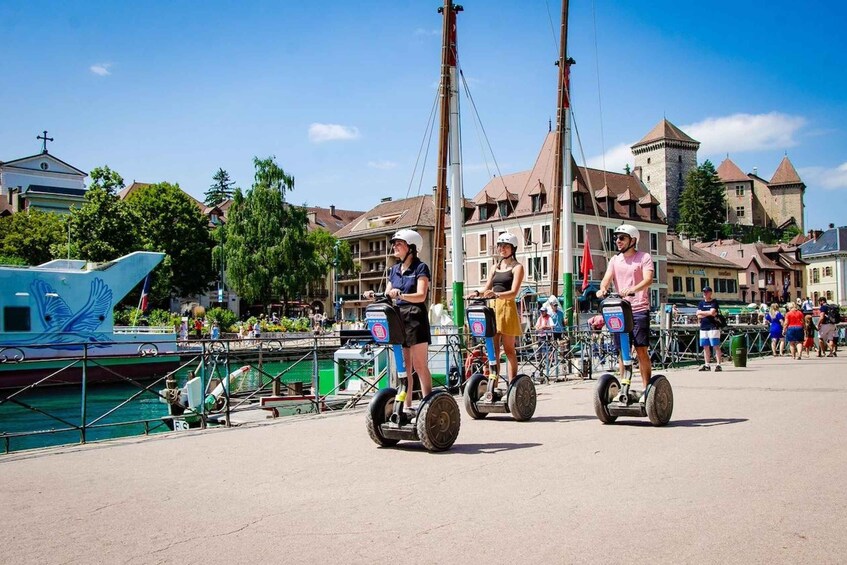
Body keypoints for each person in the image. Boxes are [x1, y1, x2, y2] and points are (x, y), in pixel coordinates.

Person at [365, 229, 432, 414]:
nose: (394, 246)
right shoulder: (393, 270)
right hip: (398, 318)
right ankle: (407, 406)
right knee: (405, 366)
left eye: (399, 243)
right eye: (394, 244)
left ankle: (428, 404)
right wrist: (373, 295)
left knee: (419, 365)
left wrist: (401, 294)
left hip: (415, 317)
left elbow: (421, 296)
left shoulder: (420, 268)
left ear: (411, 247)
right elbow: (388, 293)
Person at [596, 224, 654, 395]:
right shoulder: (615, 260)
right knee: (623, 350)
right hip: (620, 311)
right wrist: (603, 289)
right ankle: (624, 388)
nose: (618, 241)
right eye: (616, 238)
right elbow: (606, 279)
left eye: (622, 238)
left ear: (633, 240)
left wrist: (633, 289)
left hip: (638, 308)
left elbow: (648, 279)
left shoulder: (644, 257)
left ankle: (647, 388)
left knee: (641, 349)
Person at [469, 232, 525, 382]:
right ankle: (493, 383)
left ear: (513, 248)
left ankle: (512, 384)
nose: (502, 249)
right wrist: (475, 293)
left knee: (509, 350)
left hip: (507, 308)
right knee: (493, 351)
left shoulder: (517, 267)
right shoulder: (494, 267)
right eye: (500, 246)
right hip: (493, 309)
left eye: (506, 246)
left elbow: (513, 292)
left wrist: (496, 295)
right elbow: (486, 288)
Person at [696, 286, 723, 371]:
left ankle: (718, 364)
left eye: (706, 292)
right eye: (704, 292)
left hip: (713, 326)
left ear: (710, 293)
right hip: (703, 326)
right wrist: (708, 313)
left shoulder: (714, 302)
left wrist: (703, 312)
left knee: (716, 346)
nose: (705, 293)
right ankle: (707, 364)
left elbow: (712, 312)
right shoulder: (701, 303)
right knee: (705, 346)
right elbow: (698, 314)